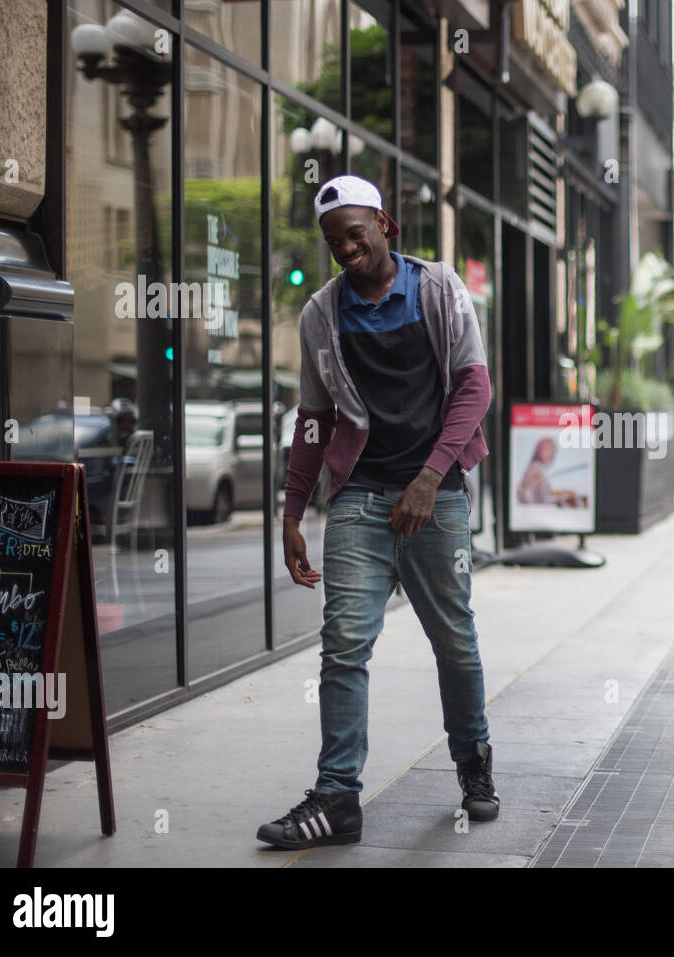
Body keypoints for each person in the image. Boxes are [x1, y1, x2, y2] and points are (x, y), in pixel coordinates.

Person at [257, 175, 497, 850]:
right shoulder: (320, 315)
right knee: (343, 644)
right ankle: (337, 796)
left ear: (385, 226)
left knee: (454, 640)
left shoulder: (439, 288)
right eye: (333, 240)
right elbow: (314, 419)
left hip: (439, 498)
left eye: (355, 234)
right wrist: (291, 510)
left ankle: (473, 762)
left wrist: (430, 476)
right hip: (359, 498)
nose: (345, 248)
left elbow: (475, 386)